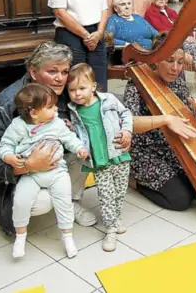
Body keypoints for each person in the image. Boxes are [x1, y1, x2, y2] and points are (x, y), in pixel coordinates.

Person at [0, 42, 128, 235]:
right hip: (16, 173)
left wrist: (127, 130)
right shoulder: (7, 104)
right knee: (42, 202)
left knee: (85, 147)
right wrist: (27, 165)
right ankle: (14, 213)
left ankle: (71, 202)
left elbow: (104, 114)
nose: (60, 79)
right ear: (33, 72)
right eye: (52, 71)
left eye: (65, 72)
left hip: (54, 163)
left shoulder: (69, 91)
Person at [0, 83, 89, 259]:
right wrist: (9, 157)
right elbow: (5, 144)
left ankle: (68, 237)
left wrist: (79, 148)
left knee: (64, 203)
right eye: (50, 107)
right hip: (30, 174)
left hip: (57, 172)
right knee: (21, 201)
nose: (56, 109)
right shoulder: (18, 126)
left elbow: (69, 138)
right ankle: (21, 236)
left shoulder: (57, 124)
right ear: (34, 113)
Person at [123, 33, 196, 211]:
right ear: (155, 60)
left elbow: (194, 123)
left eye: (180, 62)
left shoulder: (178, 82)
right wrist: (166, 119)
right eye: (170, 61)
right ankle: (134, 182)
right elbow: (129, 123)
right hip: (144, 151)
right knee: (180, 200)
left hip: (172, 145)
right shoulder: (136, 84)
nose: (176, 68)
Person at [67, 64, 133, 252]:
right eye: (72, 90)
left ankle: (116, 218)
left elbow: (126, 113)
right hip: (99, 160)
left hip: (119, 153)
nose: (77, 94)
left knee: (120, 191)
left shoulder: (109, 100)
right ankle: (110, 229)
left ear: (94, 87)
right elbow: (77, 134)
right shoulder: (74, 111)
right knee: (106, 195)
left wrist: (127, 130)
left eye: (82, 88)